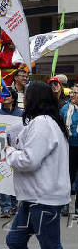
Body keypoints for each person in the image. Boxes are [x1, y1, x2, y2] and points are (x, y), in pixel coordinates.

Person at [5, 81, 70, 249]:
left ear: (33, 99)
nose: (23, 100)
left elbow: (29, 161)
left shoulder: (42, 123)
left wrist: (10, 151)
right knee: (15, 241)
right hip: (34, 197)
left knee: (50, 245)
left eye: (26, 96)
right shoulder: (46, 122)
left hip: (43, 199)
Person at [0, 88, 21, 218]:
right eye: (3, 95)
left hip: (16, 151)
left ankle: (14, 204)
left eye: (8, 95)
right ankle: (5, 208)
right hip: (1, 150)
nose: (5, 97)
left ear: (14, 98)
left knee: (15, 180)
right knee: (3, 178)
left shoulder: (20, 114)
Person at [60, 84, 78, 216]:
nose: (72, 95)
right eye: (71, 92)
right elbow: (59, 126)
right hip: (69, 147)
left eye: (75, 93)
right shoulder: (65, 109)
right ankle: (65, 205)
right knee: (68, 177)